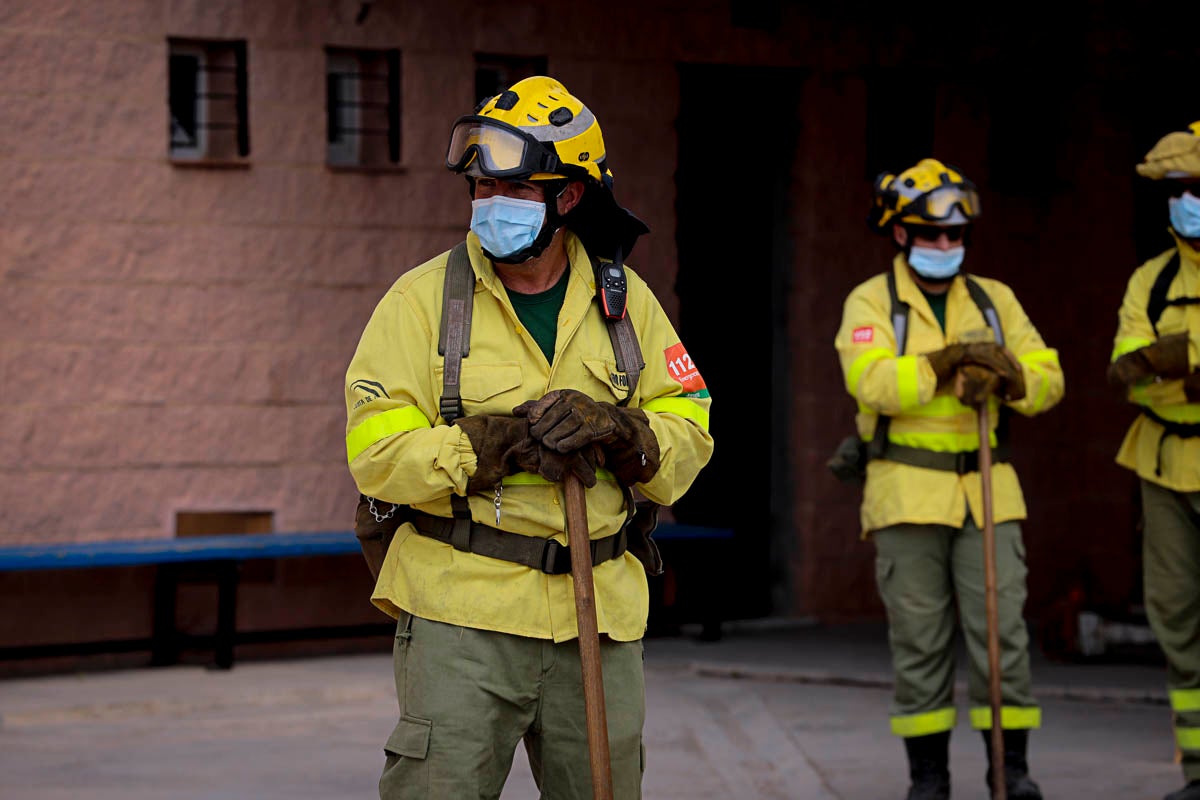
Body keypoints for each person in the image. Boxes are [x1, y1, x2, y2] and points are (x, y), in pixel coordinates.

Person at [343, 75, 714, 800]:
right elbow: (376, 454)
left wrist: (623, 430)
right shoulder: (420, 301)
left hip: (598, 620)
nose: (489, 206)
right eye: (479, 190)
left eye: (511, 192)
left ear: (568, 197)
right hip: (462, 617)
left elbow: (690, 429)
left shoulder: (625, 303)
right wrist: (486, 445)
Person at [834, 158, 1064, 800]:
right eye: (932, 235)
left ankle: (1009, 771)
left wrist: (1012, 379)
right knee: (921, 643)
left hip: (988, 496)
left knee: (1004, 637)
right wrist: (943, 365)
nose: (946, 246)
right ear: (901, 234)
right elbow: (873, 383)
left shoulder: (994, 301)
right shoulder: (871, 301)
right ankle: (928, 779)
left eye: (956, 236)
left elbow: (1050, 376)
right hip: (907, 496)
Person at [1107, 121, 1200, 800]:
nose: (1188, 200)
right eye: (1178, 190)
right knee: (1175, 617)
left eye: (1198, 188)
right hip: (1165, 462)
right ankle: (1197, 774)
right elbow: (1127, 368)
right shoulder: (1153, 277)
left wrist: (1181, 360)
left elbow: (1156, 362)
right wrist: (1168, 370)